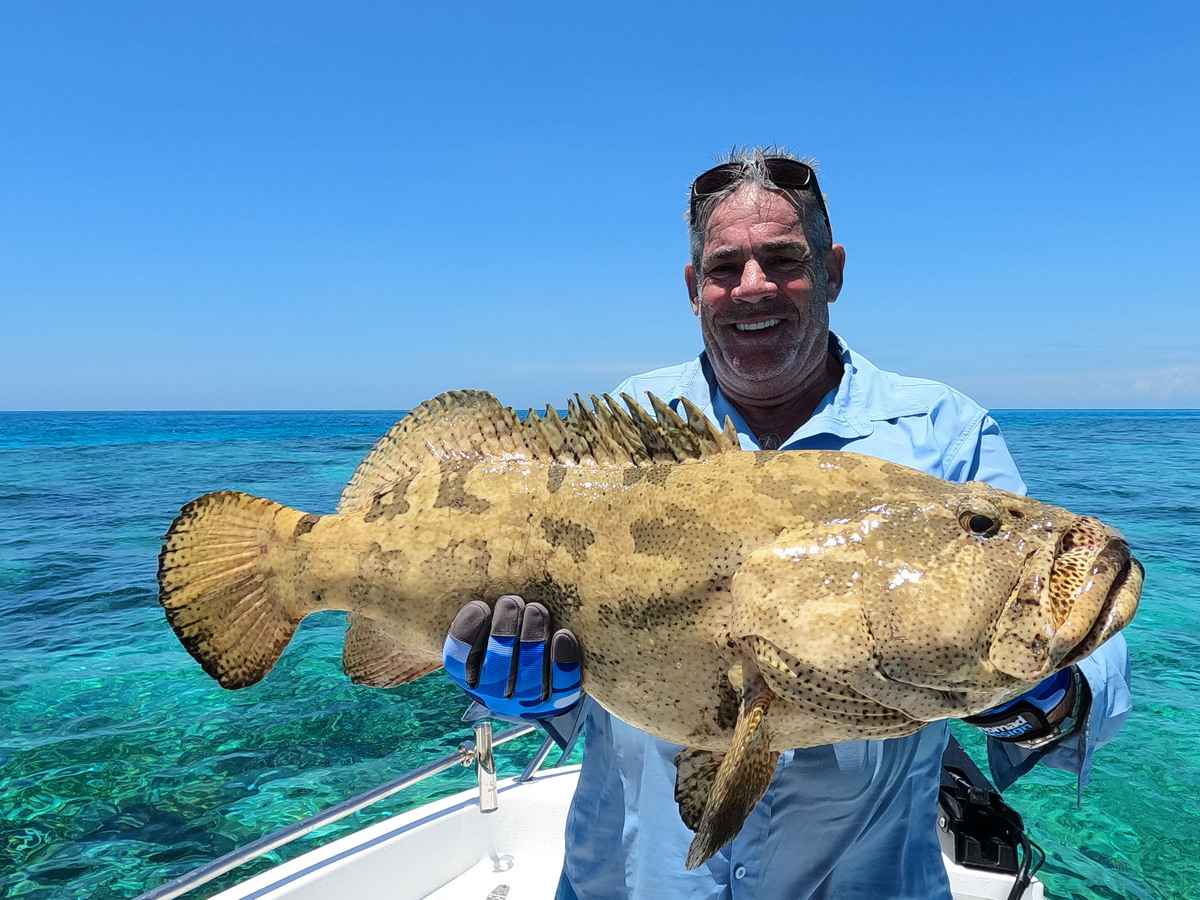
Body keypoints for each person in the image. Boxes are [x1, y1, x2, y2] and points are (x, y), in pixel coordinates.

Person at [441, 148, 1133, 899]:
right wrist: (529, 687)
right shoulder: (629, 436)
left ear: (833, 270)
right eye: (724, 268)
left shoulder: (943, 434)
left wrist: (1033, 700)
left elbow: (1084, 688)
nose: (752, 288)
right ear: (692, 289)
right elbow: (597, 673)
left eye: (783, 259)